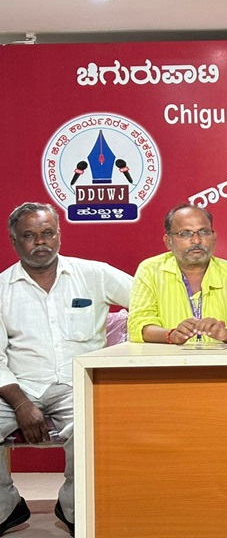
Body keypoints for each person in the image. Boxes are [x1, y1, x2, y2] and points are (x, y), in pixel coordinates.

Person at [0, 202, 132, 536]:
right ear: (14, 241)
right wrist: (21, 403)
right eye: (29, 236)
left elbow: (148, 303)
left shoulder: (94, 274)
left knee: (92, 424)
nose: (40, 242)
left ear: (59, 235)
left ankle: (74, 509)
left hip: (78, 384)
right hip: (19, 387)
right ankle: (5, 508)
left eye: (47, 233)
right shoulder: (1, 289)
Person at [128, 204, 227, 345]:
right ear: (168, 241)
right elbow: (138, 324)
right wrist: (171, 335)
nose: (197, 240)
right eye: (185, 233)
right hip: (167, 358)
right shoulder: (150, 271)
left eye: (204, 232)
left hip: (221, 357)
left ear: (214, 237)